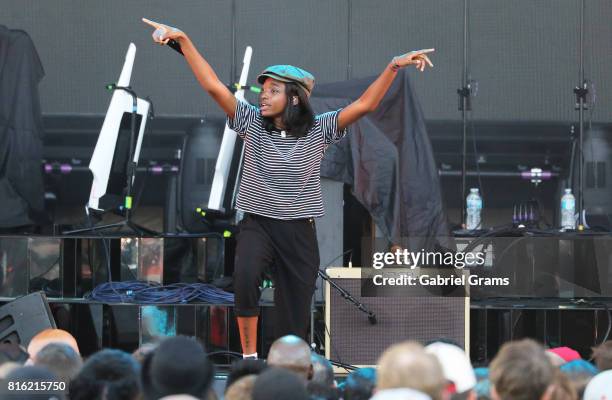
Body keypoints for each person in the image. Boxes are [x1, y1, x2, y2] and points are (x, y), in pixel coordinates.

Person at [143, 17, 434, 358]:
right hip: (257, 223)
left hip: (298, 230)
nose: (263, 96)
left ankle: (289, 364)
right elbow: (212, 86)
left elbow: (365, 105)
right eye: (263, 90)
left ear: (294, 98)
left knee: (294, 308)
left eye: (273, 91)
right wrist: (184, 41)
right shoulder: (251, 121)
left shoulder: (319, 129)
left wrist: (393, 66)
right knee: (245, 279)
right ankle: (251, 357)